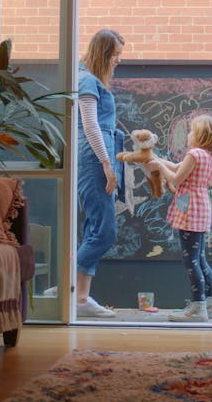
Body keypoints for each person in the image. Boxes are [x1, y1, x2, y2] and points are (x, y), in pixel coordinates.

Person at [148, 114, 212, 322]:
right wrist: (157, 159)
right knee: (200, 258)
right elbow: (176, 167)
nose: (189, 134)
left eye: (192, 130)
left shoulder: (194, 154)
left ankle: (198, 307)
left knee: (190, 260)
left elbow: (175, 177)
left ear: (201, 135)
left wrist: (158, 166)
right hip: (200, 205)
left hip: (190, 207)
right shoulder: (206, 155)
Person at [75, 29, 125, 317]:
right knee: (105, 231)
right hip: (95, 157)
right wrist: (107, 164)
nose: (118, 60)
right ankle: (69, 289)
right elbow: (90, 125)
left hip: (101, 154)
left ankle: (81, 297)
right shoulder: (87, 81)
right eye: (115, 54)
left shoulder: (92, 81)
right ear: (102, 53)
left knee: (94, 228)